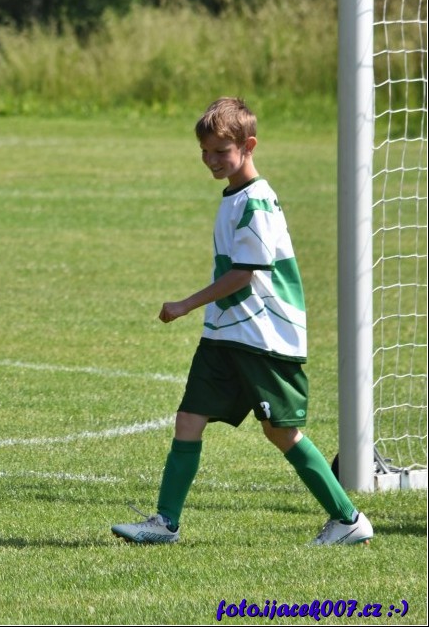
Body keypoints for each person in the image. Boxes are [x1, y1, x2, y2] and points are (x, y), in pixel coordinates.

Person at [111, 98, 374, 546]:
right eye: (205, 153)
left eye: (221, 151)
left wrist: (185, 304)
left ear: (248, 145)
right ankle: (165, 523)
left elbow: (242, 274)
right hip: (227, 334)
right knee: (188, 419)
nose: (212, 161)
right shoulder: (234, 197)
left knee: (281, 432)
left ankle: (348, 520)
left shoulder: (257, 202)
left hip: (264, 337)